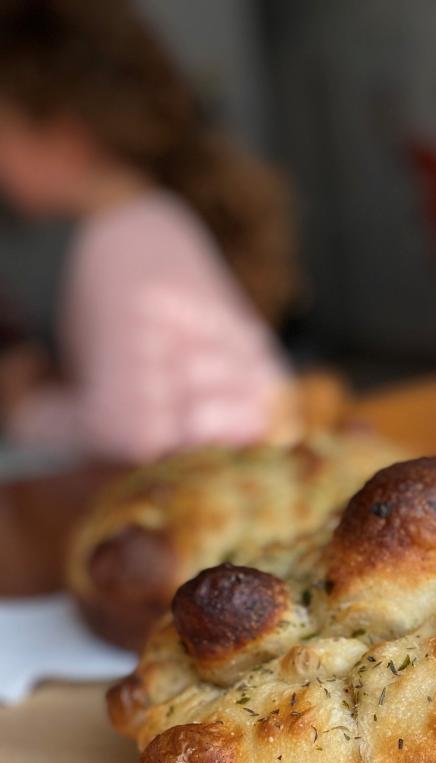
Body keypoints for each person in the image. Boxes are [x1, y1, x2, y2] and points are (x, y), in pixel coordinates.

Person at [0, 0, 298, 463]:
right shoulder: (154, 217)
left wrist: (27, 409)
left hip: (215, 496)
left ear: (65, 134)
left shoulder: (117, 241)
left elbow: (127, 437)